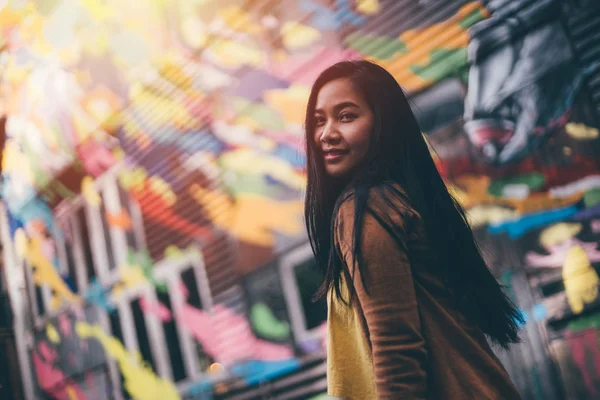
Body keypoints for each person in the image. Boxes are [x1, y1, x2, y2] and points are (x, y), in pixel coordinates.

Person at [304, 60, 523, 399]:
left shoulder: (367, 209)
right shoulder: (406, 200)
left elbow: (397, 352)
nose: (326, 133)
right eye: (319, 120)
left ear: (383, 125)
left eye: (346, 116)